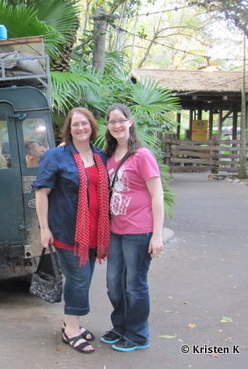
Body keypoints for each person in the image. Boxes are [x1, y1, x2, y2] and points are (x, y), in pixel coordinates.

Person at [32, 107, 110, 354]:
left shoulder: (100, 156)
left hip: (95, 231)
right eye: (75, 124)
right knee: (78, 280)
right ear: (69, 128)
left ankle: (70, 322)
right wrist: (44, 228)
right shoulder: (56, 156)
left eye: (84, 123)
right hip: (67, 230)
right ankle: (72, 331)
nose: (80, 128)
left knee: (84, 280)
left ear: (92, 127)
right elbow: (41, 192)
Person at [100, 103, 164, 352]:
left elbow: (157, 195)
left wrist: (157, 235)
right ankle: (121, 326)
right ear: (108, 126)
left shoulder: (142, 155)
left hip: (140, 230)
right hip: (117, 230)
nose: (116, 125)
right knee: (114, 283)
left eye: (120, 120)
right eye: (111, 121)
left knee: (134, 285)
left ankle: (137, 334)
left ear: (129, 122)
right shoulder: (108, 155)